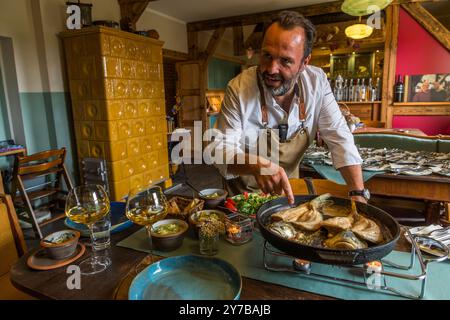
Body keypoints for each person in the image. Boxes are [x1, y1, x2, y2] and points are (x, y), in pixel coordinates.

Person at [213, 11, 367, 204]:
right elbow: (218, 150)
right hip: (241, 198)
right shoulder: (239, 88)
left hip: (289, 193)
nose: (271, 69)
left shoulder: (317, 83)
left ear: (305, 63)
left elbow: (340, 138)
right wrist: (255, 165)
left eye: (285, 61)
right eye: (267, 56)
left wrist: (357, 192)